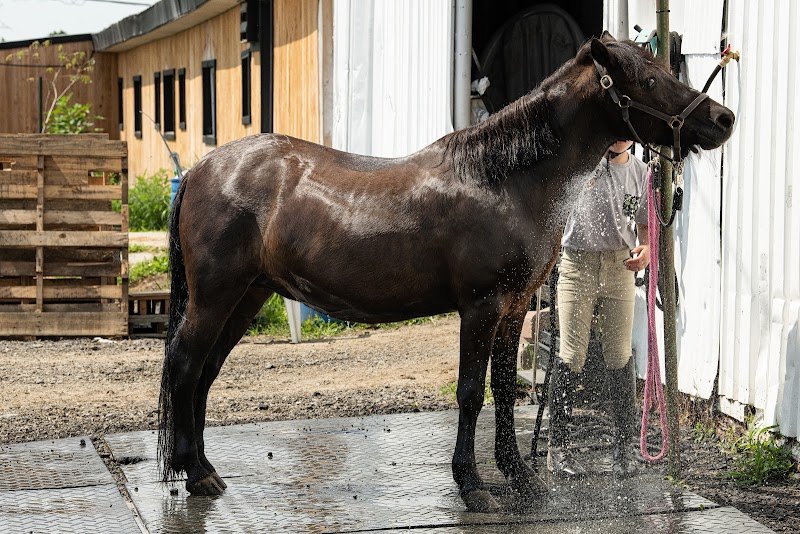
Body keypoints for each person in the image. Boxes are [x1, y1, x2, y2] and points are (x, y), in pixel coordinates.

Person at [548, 139, 650, 478]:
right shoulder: (581, 163)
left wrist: (646, 250)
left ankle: (624, 449)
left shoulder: (641, 173)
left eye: (626, 132)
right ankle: (558, 447)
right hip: (577, 261)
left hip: (620, 264)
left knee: (619, 354)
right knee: (571, 353)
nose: (619, 137)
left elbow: (645, 226)